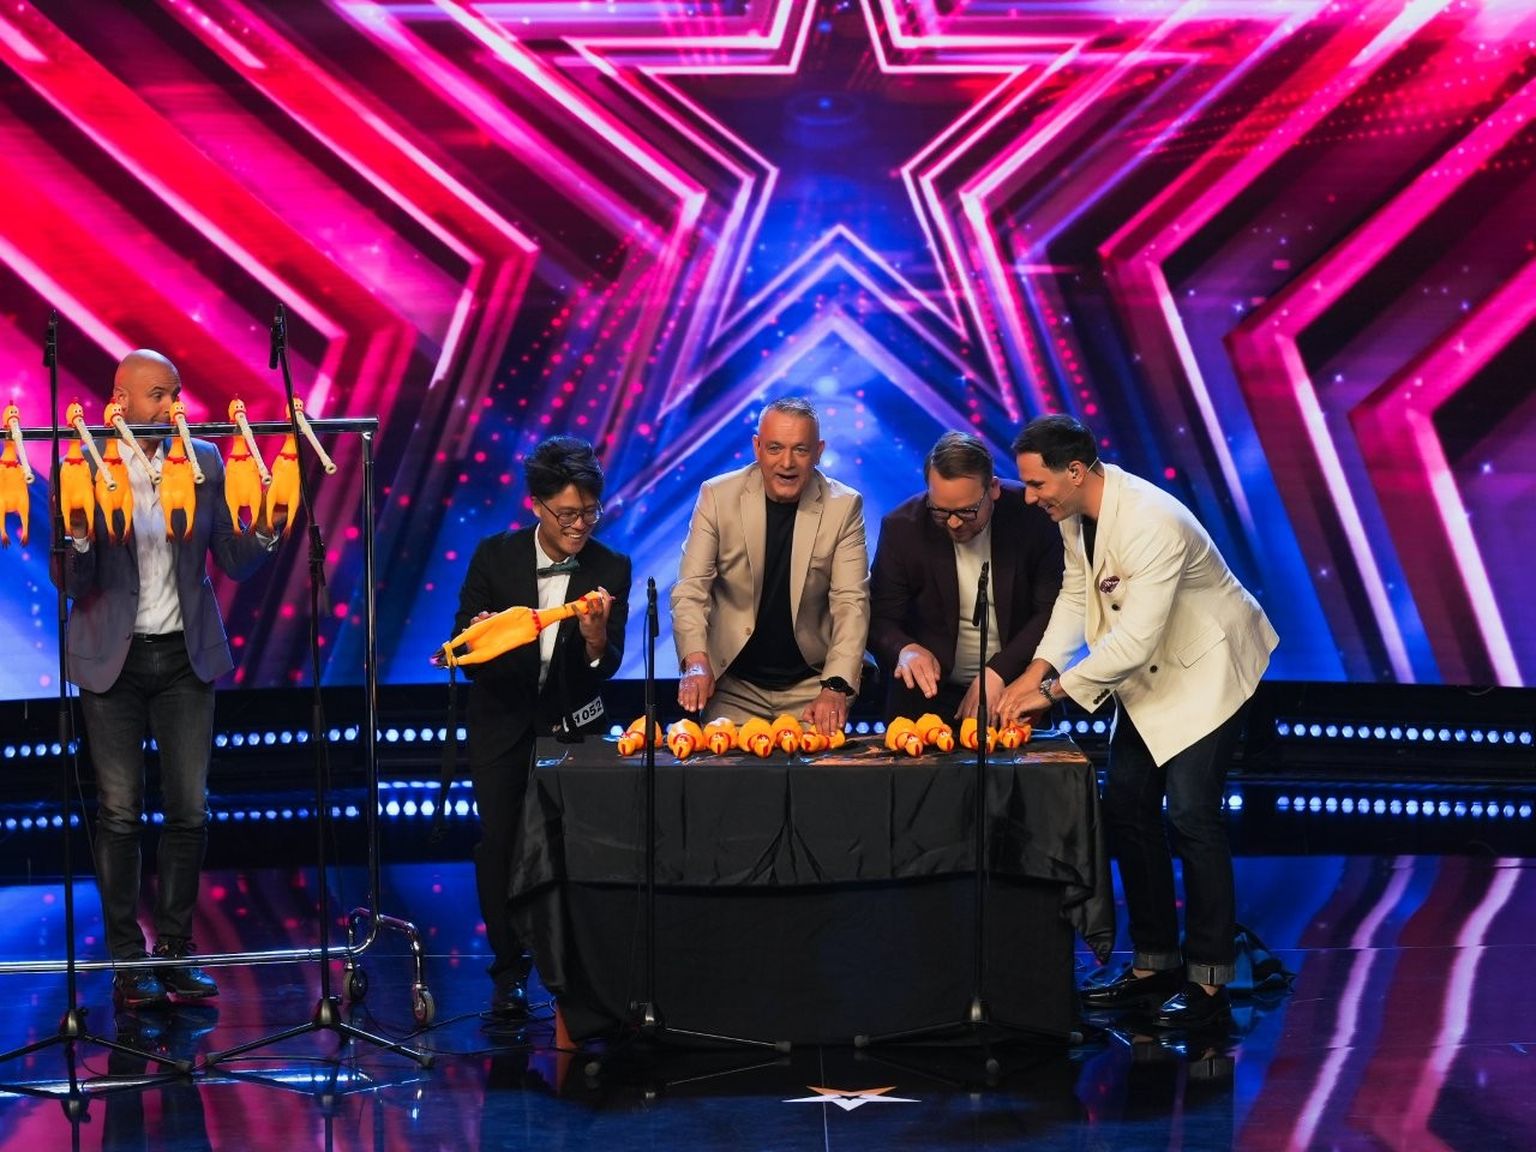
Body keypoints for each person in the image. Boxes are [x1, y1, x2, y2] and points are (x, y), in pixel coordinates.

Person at [996, 414, 1277, 1029]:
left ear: (1075, 471)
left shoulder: (1152, 520)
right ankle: (1155, 963)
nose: (1030, 497)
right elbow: (1078, 595)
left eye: (1037, 483)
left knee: (1192, 815)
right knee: (1126, 804)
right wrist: (1036, 668)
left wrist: (1052, 692)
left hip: (1208, 666)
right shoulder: (1074, 512)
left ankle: (1209, 980)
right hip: (1151, 671)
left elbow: (1136, 639)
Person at [52, 349, 280, 1007]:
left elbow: (232, 559)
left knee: (188, 808)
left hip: (185, 656)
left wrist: (267, 529)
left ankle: (175, 951)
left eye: (176, 392)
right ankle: (128, 960)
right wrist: (81, 539)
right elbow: (70, 581)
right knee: (120, 812)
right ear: (119, 400)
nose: (172, 405)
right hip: (113, 661)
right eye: (158, 394)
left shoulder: (204, 460)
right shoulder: (82, 464)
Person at [450, 436, 630, 1023]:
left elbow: (606, 665)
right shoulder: (494, 557)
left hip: (573, 726)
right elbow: (460, 648)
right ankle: (509, 972)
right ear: (536, 505)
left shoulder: (610, 567)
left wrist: (596, 639)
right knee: (501, 844)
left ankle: (581, 973)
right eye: (567, 514)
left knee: (577, 846)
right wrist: (483, 637)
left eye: (589, 513)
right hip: (501, 722)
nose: (579, 526)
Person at [672, 397, 868, 735]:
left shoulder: (844, 506)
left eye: (800, 450)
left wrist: (835, 686)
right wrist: (696, 661)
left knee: (821, 767)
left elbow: (851, 603)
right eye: (775, 448)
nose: (786, 463)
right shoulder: (716, 496)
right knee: (726, 767)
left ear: (819, 452)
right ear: (757, 447)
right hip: (734, 687)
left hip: (812, 686)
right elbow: (691, 590)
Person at [869, 431, 1063, 723]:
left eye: (967, 511)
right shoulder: (902, 528)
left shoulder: (1034, 516)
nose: (954, 522)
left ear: (993, 488)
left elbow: (1053, 611)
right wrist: (904, 649)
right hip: (927, 700)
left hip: (1014, 690)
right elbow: (879, 618)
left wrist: (998, 672)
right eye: (940, 511)